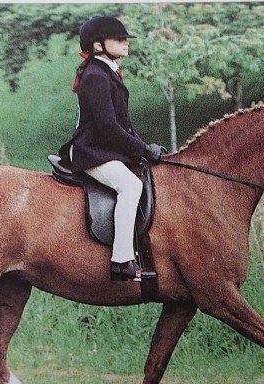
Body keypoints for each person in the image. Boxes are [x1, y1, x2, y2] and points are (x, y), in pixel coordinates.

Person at [59, 16, 165, 282]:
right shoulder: (96, 75)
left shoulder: (106, 71)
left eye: (125, 38)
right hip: (91, 150)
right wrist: (142, 148)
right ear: (97, 46)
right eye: (119, 39)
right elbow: (108, 127)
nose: (125, 42)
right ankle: (122, 261)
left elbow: (122, 124)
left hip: (104, 148)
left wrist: (142, 149)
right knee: (130, 186)